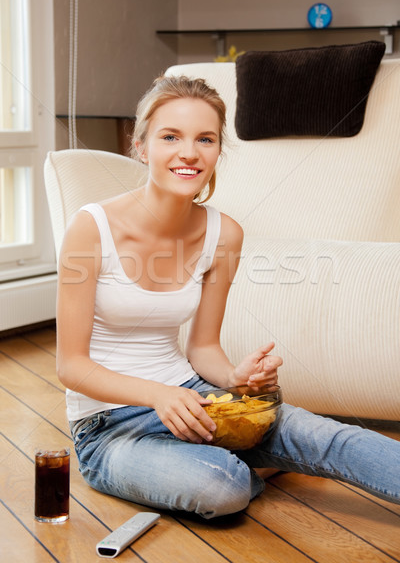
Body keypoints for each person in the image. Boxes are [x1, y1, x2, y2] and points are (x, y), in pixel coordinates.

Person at [57, 75, 400, 519]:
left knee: (331, 437)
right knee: (223, 486)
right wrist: (159, 395)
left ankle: (251, 454)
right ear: (142, 147)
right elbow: (71, 366)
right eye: (170, 137)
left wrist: (236, 378)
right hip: (110, 429)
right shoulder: (91, 227)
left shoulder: (225, 234)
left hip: (197, 400)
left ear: (218, 150)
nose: (189, 152)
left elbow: (202, 348)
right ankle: (242, 462)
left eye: (205, 138)